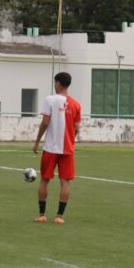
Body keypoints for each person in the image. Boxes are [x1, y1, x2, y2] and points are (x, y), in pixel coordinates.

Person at [32, 72, 81, 224]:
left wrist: (37, 141)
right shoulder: (76, 104)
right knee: (65, 182)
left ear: (58, 83)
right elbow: (77, 127)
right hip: (67, 149)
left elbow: (45, 122)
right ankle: (59, 217)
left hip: (51, 148)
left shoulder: (50, 99)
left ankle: (42, 215)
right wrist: (70, 140)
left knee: (44, 180)